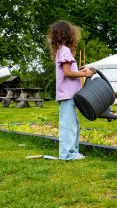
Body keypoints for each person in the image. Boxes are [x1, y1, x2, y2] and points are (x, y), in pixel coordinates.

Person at [47, 20, 96, 161]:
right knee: (68, 126)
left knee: (73, 125)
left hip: (68, 95)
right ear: (69, 34)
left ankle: (73, 153)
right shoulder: (65, 51)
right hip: (67, 95)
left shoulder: (61, 50)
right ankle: (67, 155)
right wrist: (85, 74)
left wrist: (83, 70)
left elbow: (69, 71)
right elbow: (68, 73)